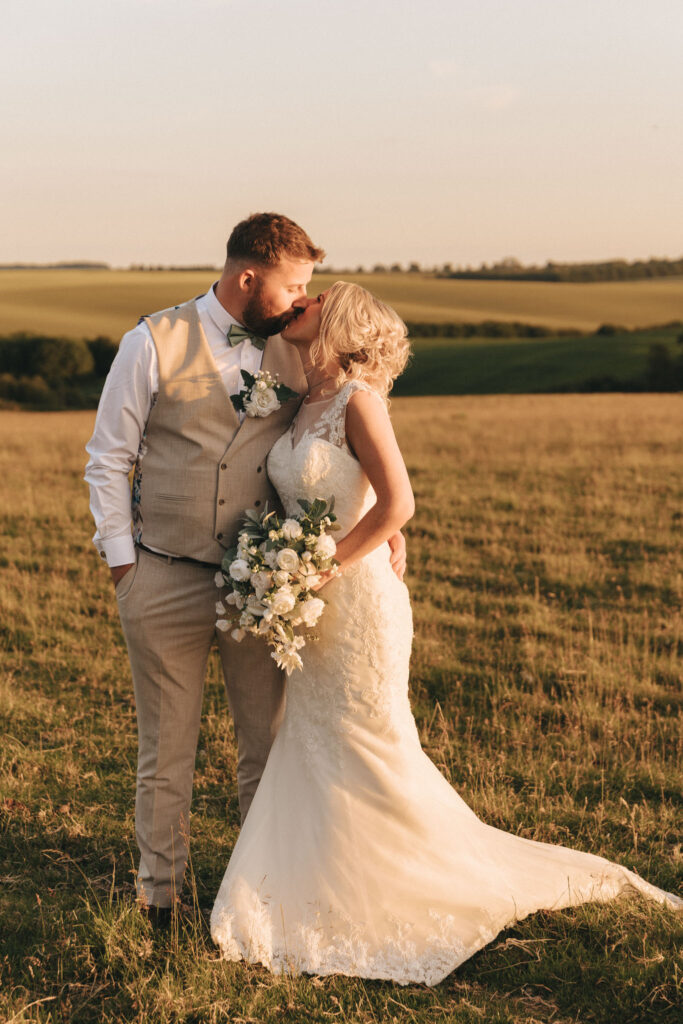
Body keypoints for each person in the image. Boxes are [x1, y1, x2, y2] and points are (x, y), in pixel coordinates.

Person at [210, 281, 681, 985]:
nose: (299, 303)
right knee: (315, 739)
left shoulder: (357, 403)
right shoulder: (297, 399)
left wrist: (326, 566)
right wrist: (282, 564)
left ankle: (405, 878)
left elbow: (399, 500)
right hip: (310, 607)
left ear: (339, 321)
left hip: (354, 601)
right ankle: (321, 876)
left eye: (315, 299)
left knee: (370, 739)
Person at [84, 214, 408, 919]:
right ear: (247, 278)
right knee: (165, 749)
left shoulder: (298, 352)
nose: (300, 301)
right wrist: (124, 568)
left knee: (266, 744)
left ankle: (258, 894)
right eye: (294, 285)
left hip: (259, 585)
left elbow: (351, 437)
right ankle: (159, 898)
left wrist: (380, 525)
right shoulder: (149, 342)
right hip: (161, 574)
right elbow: (109, 458)